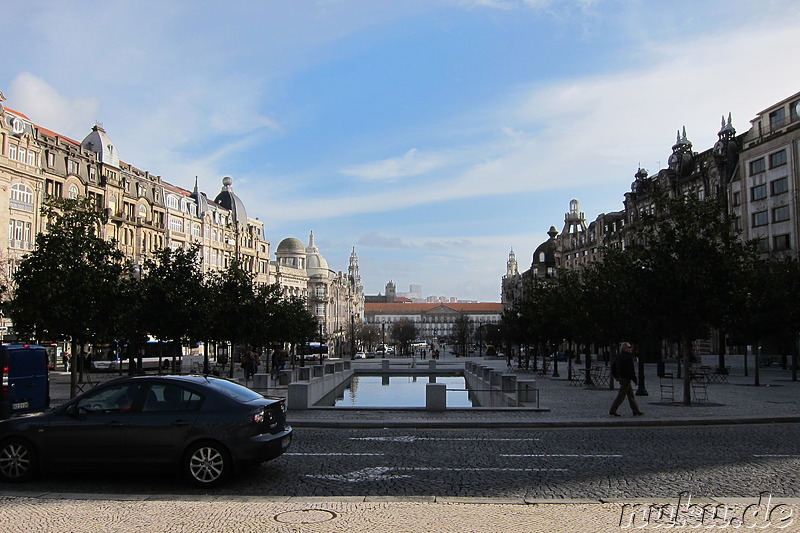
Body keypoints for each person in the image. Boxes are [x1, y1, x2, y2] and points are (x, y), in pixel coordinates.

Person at [609, 342, 644, 417]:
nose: (631, 348)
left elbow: (612, 367)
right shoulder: (628, 357)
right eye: (629, 347)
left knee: (630, 395)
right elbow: (630, 370)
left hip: (622, 378)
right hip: (626, 378)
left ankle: (635, 410)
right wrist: (635, 380)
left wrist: (617, 377)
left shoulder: (619, 356)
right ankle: (613, 409)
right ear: (625, 349)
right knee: (621, 395)